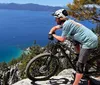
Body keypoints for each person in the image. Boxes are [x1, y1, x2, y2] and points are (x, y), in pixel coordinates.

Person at [48, 9, 98, 85]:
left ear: (61, 18)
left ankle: (75, 83)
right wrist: (50, 32)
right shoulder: (67, 22)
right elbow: (55, 27)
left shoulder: (66, 24)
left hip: (89, 42)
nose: (55, 20)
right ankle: (78, 55)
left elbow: (62, 39)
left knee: (79, 65)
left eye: (56, 18)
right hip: (90, 38)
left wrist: (53, 35)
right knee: (74, 40)